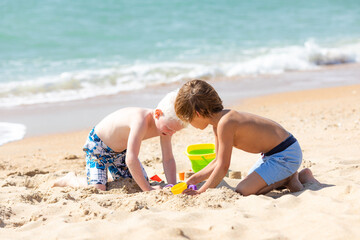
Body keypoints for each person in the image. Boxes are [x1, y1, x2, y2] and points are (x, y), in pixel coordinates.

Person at [174, 79, 319, 196]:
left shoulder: (226, 123)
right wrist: (192, 180)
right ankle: (301, 177)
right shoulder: (218, 123)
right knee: (249, 182)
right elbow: (217, 161)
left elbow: (223, 167)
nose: (189, 123)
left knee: (243, 190)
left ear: (198, 113)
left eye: (188, 119)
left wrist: (200, 192)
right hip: (273, 155)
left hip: (285, 154)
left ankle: (289, 177)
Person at [53, 90, 185, 191]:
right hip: (98, 147)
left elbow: (168, 158)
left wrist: (172, 185)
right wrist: (148, 190)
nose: (171, 133)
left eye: (175, 131)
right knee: (98, 188)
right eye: (169, 128)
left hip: (120, 152)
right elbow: (131, 159)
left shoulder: (166, 127)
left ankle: (104, 175)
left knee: (137, 182)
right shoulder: (140, 121)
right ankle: (71, 179)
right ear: (157, 114)